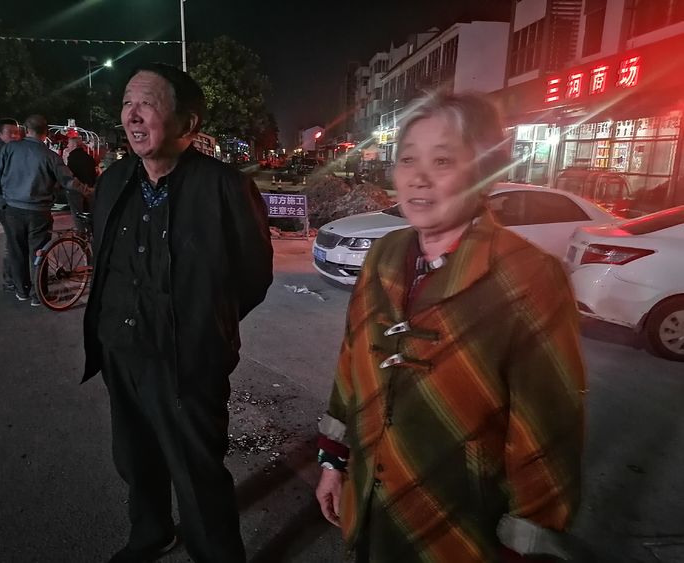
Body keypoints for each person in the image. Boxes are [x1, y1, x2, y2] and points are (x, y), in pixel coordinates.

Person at [315, 92, 586, 563]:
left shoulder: (529, 276)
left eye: (442, 160)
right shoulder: (384, 255)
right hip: (370, 501)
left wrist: (528, 538)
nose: (418, 178)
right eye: (408, 160)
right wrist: (333, 460)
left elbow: (550, 426)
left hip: (460, 524)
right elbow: (351, 362)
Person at [82, 63, 273, 563]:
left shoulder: (225, 187)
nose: (132, 115)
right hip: (121, 349)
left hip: (186, 361)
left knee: (197, 469)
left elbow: (254, 276)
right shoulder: (114, 182)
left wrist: (205, 326)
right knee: (134, 457)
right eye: (127, 103)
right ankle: (151, 534)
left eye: (147, 103)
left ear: (188, 124)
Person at [0, 114, 93, 306]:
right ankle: (39, 295)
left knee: (16, 250)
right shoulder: (50, 156)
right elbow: (69, 181)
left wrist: (3, 200)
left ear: (26, 130)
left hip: (13, 208)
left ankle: (21, 290)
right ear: (45, 133)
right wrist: (89, 192)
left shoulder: (10, 149)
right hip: (39, 211)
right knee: (39, 253)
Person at [0, 117, 21, 292]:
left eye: (17, 132)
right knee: (12, 242)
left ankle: (16, 277)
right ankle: (10, 279)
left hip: (10, 202)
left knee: (15, 241)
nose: (15, 136)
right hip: (5, 204)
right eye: (10, 133)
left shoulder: (8, 148)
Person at [63, 133, 97, 229]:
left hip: (76, 189)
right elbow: (93, 173)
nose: (67, 146)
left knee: (77, 213)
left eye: (69, 143)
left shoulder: (72, 157)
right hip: (89, 188)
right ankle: (90, 231)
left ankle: (80, 232)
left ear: (74, 145)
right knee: (89, 212)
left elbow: (70, 174)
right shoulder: (88, 157)